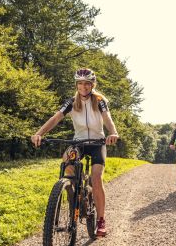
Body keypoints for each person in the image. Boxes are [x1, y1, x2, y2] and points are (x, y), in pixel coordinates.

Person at [30, 68, 119, 237]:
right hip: (78, 142)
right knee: (66, 164)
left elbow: (107, 118)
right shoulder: (71, 101)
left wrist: (112, 133)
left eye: (87, 84)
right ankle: (73, 197)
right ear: (76, 85)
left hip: (97, 143)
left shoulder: (99, 100)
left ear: (92, 85)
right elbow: (56, 118)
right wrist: (39, 133)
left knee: (96, 177)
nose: (83, 87)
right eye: (80, 84)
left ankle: (100, 220)